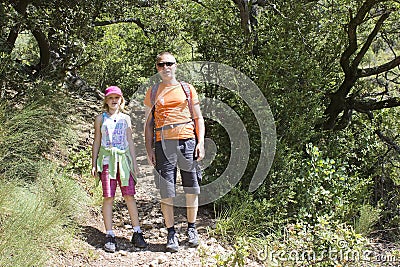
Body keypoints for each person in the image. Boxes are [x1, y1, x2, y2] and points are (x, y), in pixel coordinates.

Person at [144, 52, 205, 252]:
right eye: (161, 64)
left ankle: (191, 228)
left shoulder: (187, 89)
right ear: (157, 68)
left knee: (191, 186)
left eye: (169, 63)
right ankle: (171, 233)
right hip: (163, 144)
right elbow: (148, 124)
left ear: (176, 66)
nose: (165, 67)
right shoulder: (152, 92)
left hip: (187, 140)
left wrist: (200, 142)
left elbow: (198, 118)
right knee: (166, 190)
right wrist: (149, 149)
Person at [91, 86, 147, 253]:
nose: (114, 100)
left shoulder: (126, 119)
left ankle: (137, 232)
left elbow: (130, 141)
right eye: (110, 98)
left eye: (117, 98)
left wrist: (134, 163)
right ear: (106, 101)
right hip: (107, 160)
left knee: (129, 195)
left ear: (121, 100)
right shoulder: (100, 118)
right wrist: (94, 163)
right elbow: (97, 141)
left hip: (123, 161)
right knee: (108, 196)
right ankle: (109, 234)